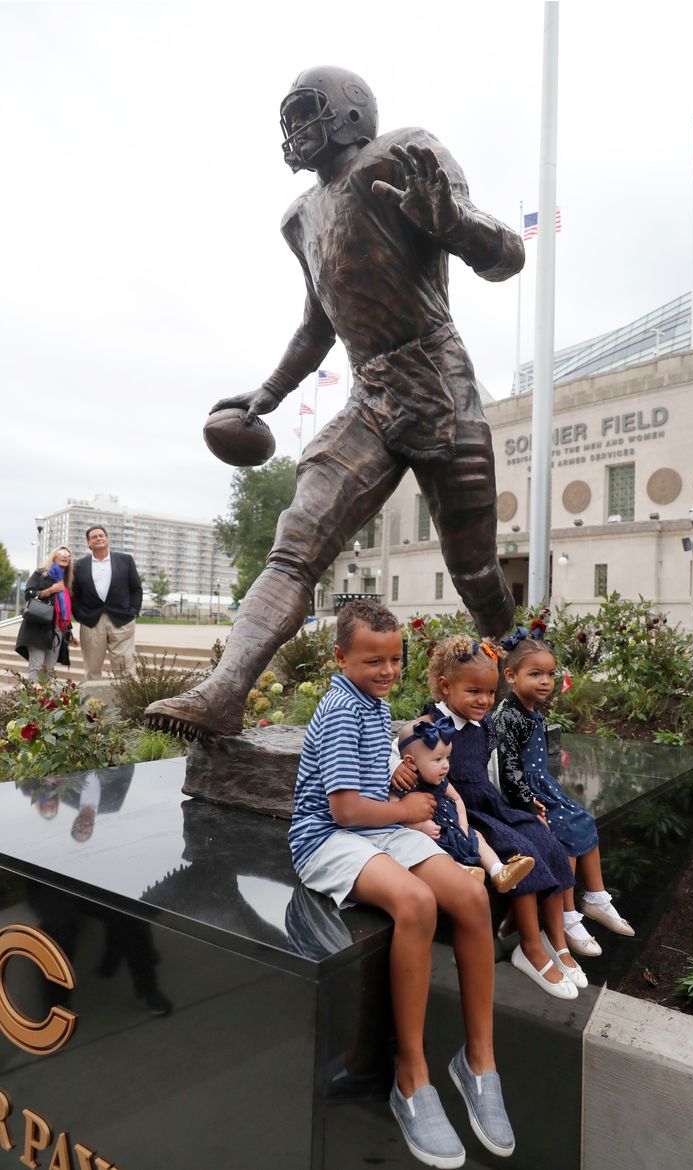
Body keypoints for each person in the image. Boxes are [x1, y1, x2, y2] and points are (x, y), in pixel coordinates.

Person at [145, 65, 525, 740]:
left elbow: (507, 256)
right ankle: (224, 692)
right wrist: (266, 395)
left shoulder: (404, 153)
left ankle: (520, 678)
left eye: (305, 111)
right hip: (371, 392)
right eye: (288, 117)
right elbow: (319, 323)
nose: (293, 129)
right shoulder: (301, 218)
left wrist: (456, 225)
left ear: (349, 112)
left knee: (472, 565)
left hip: (438, 378)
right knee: (295, 544)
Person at [289, 600, 515, 1167]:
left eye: (395, 659)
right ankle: (412, 1077)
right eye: (372, 661)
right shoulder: (342, 710)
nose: (388, 671)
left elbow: (378, 764)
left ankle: (479, 1060)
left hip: (379, 825)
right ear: (340, 658)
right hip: (330, 838)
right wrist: (407, 808)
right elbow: (341, 811)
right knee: (416, 904)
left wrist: (401, 777)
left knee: (469, 894)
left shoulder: (372, 703)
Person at [396, 634, 588, 1000]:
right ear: (445, 686)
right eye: (473, 692)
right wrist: (400, 780)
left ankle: (556, 942)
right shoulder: (430, 723)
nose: (484, 701)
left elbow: (500, 769)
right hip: (460, 810)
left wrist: (529, 804)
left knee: (544, 836)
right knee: (519, 848)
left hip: (489, 800)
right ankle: (529, 949)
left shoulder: (487, 725)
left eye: (490, 692)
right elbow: (400, 754)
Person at [494, 626, 635, 955]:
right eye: (535, 674)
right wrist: (528, 804)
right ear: (511, 676)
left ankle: (596, 898)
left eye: (550, 674)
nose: (545, 681)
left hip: (541, 787)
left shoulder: (533, 711)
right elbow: (508, 768)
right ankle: (567, 915)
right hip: (522, 795)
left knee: (584, 818)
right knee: (564, 830)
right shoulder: (508, 715)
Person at [391, 715, 536, 893]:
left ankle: (498, 870)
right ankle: (461, 870)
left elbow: (458, 799)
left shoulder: (441, 781)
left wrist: (464, 825)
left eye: (447, 758)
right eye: (438, 760)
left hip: (454, 827)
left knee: (478, 837)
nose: (445, 766)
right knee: (433, 850)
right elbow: (397, 815)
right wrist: (420, 826)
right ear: (411, 762)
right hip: (433, 833)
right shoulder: (404, 786)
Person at [71, 525, 143, 680]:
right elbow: (74, 595)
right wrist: (80, 616)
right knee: (92, 668)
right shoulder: (79, 565)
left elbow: (136, 588)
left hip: (122, 619)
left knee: (125, 668)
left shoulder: (125, 560)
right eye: (94, 537)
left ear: (107, 539)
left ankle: (128, 702)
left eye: (101, 535)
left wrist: (133, 611)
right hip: (91, 622)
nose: (98, 538)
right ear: (88, 543)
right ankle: (93, 703)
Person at [15, 546, 78, 682]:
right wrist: (51, 590)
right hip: (38, 627)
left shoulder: (67, 580)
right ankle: (34, 701)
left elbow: (63, 609)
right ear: (54, 556)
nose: (65, 556)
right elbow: (29, 595)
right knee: (36, 668)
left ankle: (47, 702)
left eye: (68, 554)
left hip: (58, 630)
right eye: (62, 553)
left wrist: (69, 632)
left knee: (49, 670)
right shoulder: (40, 574)